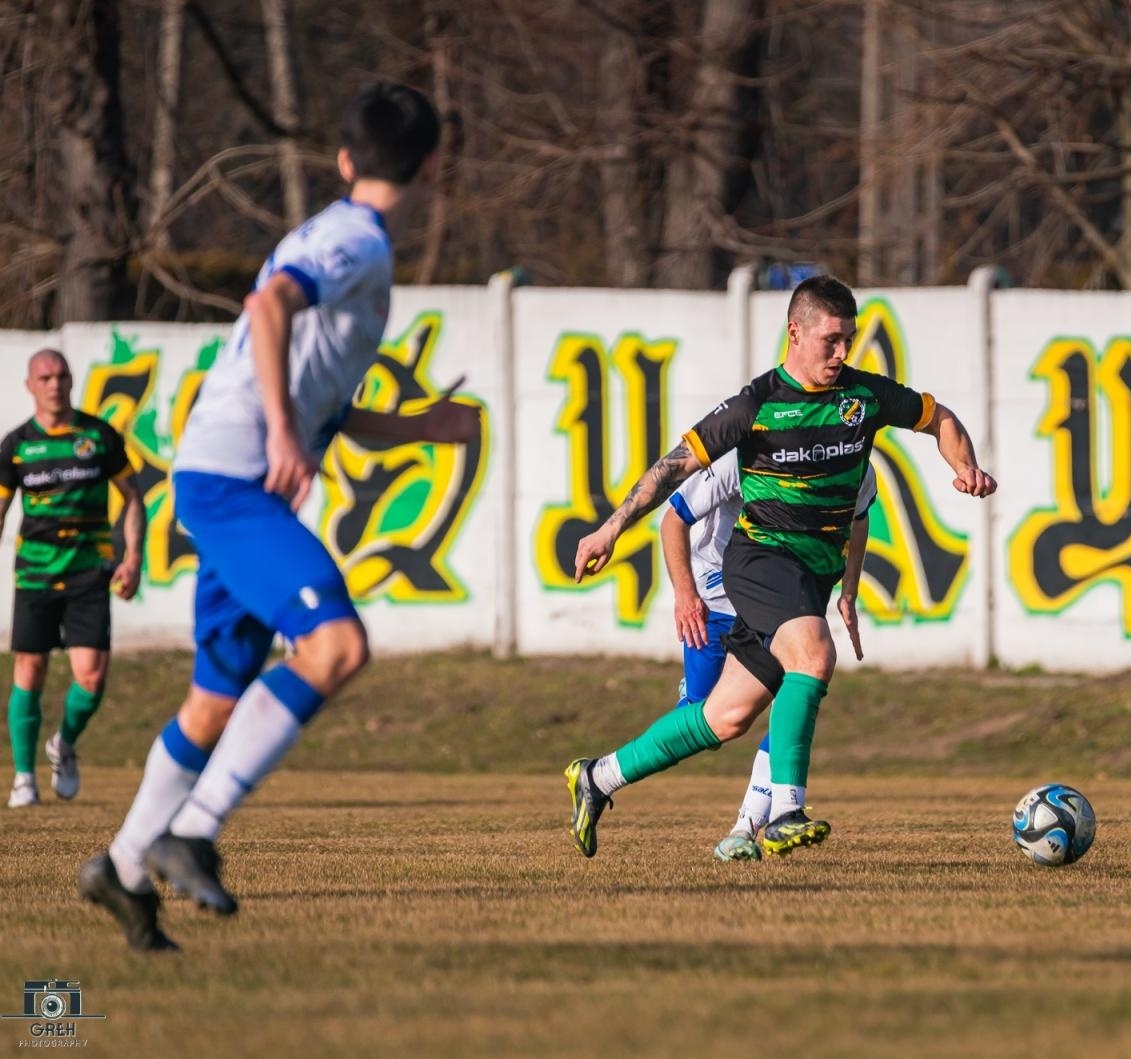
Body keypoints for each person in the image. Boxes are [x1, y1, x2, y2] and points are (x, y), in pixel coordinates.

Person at [80, 82, 476, 951]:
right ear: (435, 165)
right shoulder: (356, 240)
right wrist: (286, 432)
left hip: (226, 476)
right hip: (232, 480)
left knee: (213, 701)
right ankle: (198, 826)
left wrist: (421, 425)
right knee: (337, 646)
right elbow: (266, 309)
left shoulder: (342, 239)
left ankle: (121, 863)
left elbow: (315, 382)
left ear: (343, 159)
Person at [566, 274, 996, 858]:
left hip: (809, 577)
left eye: (849, 340)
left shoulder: (863, 398)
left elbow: (938, 416)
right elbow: (674, 469)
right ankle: (785, 811)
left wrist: (963, 465)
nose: (842, 353)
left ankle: (598, 778)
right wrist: (611, 527)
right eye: (832, 341)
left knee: (724, 717)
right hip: (762, 560)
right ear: (794, 333)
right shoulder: (756, 404)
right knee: (815, 654)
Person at [663, 451, 875, 861]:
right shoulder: (739, 453)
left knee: (793, 695)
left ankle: (746, 827)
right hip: (716, 599)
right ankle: (688, 699)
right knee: (709, 720)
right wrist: (685, 593)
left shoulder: (852, 458)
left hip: (776, 598)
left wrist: (849, 590)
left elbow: (860, 517)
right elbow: (675, 516)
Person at [2, 350, 145, 808]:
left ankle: (63, 744)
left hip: (89, 571)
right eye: (45, 376)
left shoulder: (98, 436)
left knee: (92, 677)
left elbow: (133, 498)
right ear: (30, 385)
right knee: (30, 668)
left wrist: (134, 558)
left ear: (71, 380)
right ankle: (24, 777)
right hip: (37, 574)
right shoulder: (17, 446)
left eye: (62, 375)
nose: (54, 384)